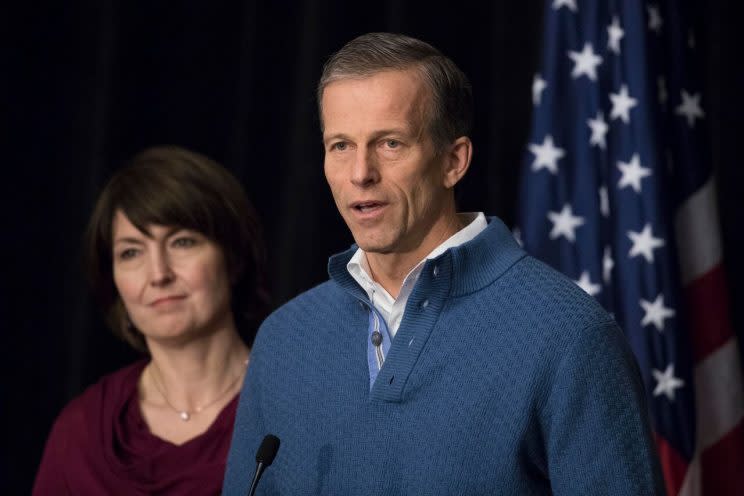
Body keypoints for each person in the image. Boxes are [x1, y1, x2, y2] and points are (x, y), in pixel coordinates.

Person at [223, 33, 665, 495]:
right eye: (340, 146)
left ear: (453, 161)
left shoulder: (569, 335)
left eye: (389, 143)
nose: (360, 173)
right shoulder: (282, 340)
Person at [33, 146, 269, 495]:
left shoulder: (293, 406)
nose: (158, 274)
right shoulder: (81, 430)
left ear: (232, 258)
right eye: (131, 252)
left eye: (182, 242)